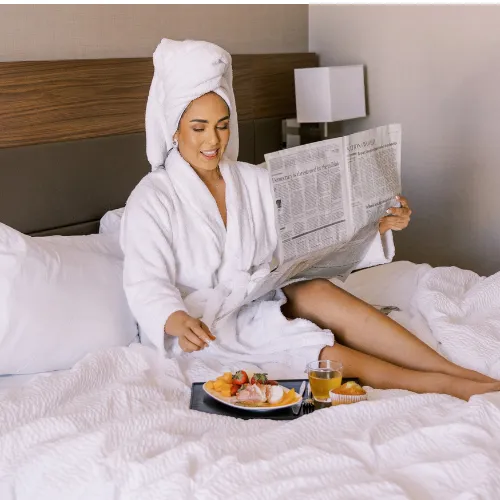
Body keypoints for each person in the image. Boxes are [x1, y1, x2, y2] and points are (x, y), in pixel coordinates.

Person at [121, 39, 499, 401]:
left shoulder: (251, 180)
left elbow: (307, 241)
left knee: (315, 289)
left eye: (222, 125)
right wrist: (174, 318)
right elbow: (145, 281)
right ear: (175, 129)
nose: (213, 140)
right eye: (199, 127)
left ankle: (451, 369)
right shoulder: (152, 198)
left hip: (255, 298)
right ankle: (438, 384)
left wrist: (377, 226)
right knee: (312, 346)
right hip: (202, 326)